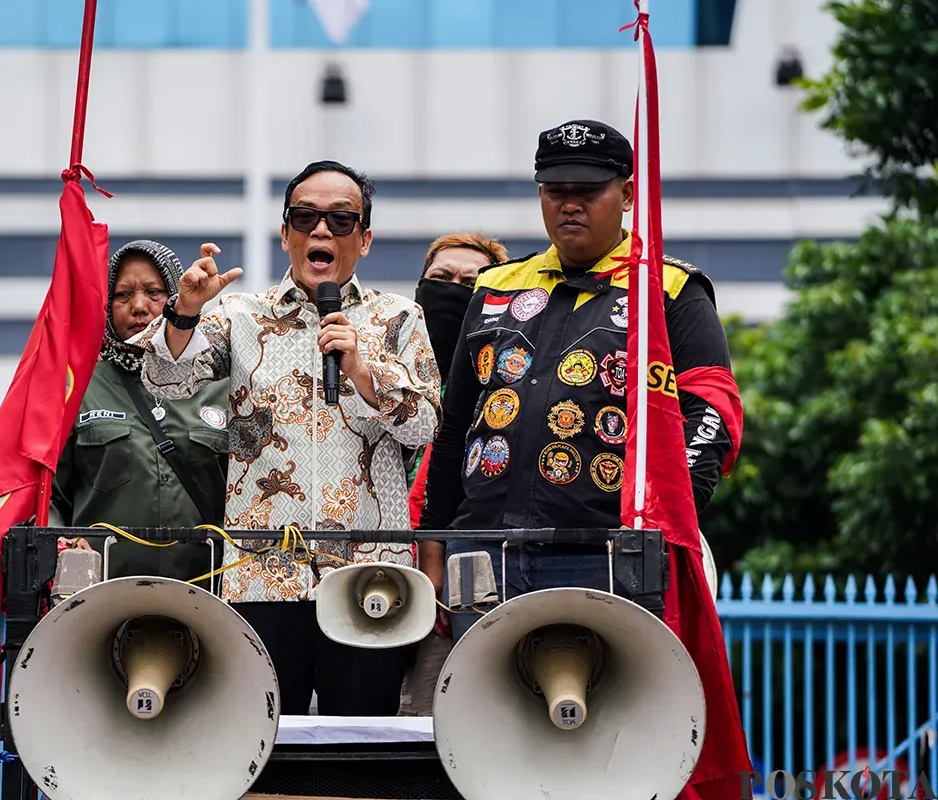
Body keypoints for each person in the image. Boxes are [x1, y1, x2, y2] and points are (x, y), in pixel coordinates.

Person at [135, 160, 442, 716]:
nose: (321, 231)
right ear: (285, 234)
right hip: (262, 572)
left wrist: (363, 371)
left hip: (366, 569)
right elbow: (166, 380)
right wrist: (183, 311)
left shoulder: (399, 317)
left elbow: (426, 424)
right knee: (266, 734)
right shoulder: (238, 314)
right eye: (305, 217)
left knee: (363, 737)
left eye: (340, 220)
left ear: (365, 239)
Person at [419, 120, 741, 643]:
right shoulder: (497, 285)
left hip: (606, 554)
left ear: (628, 193)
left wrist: (663, 522)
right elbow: (454, 424)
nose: (570, 204)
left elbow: (711, 412)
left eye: (588, 190)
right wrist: (435, 541)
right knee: (484, 717)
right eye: (555, 190)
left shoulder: (669, 288)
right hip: (482, 550)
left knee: (598, 720)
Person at [50, 239, 230, 585]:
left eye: (154, 292)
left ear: (178, 299)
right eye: (122, 295)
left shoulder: (219, 384)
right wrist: (65, 546)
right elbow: (49, 494)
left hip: (207, 597)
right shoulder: (78, 386)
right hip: (100, 596)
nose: (138, 306)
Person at [398, 232, 507, 717]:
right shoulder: (378, 365)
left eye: (471, 282)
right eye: (440, 279)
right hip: (373, 581)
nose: (453, 290)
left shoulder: (504, 382)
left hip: (456, 593)